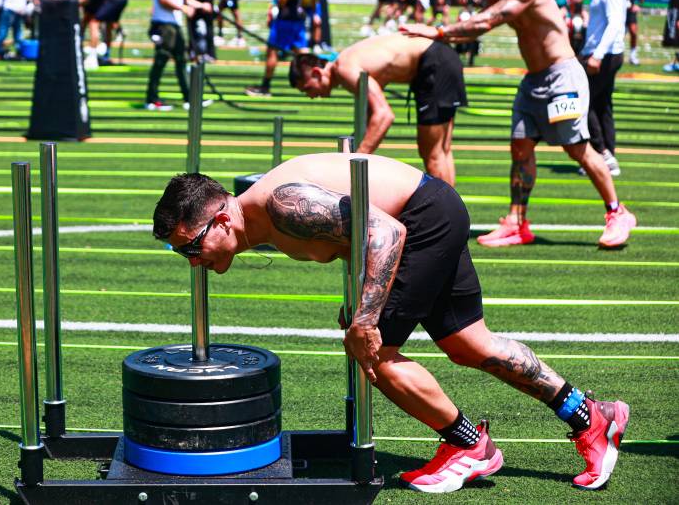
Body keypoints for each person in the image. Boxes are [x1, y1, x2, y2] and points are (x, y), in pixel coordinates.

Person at [152, 154, 630, 493]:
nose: (191, 262)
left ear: (220, 219)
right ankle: (590, 416)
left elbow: (385, 231)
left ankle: (470, 448)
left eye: (189, 247)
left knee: (371, 349)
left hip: (420, 220)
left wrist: (364, 318)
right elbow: (351, 230)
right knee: (468, 343)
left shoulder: (281, 205)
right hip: (432, 208)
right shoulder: (251, 219)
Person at [399, 0, 636, 249]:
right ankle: (517, 223)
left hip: (562, 77)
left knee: (576, 148)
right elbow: (479, 23)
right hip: (533, 81)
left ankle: (617, 212)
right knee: (520, 148)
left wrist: (439, 32)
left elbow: (486, 21)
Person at [289, 34, 466, 186]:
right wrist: (347, 152)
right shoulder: (346, 64)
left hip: (434, 62)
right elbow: (369, 121)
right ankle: (454, 220)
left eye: (307, 89)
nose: (310, 96)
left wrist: (354, 163)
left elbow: (384, 115)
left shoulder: (344, 69)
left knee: (432, 153)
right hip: (439, 58)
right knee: (442, 150)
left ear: (317, 73)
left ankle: (447, 219)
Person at [144, 0, 212, 112]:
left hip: (174, 23)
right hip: (163, 23)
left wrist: (201, 5)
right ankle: (151, 99)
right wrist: (184, 8)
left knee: (181, 60)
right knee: (161, 60)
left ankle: (189, 98)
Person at [580, 0, 627, 178]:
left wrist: (597, 54)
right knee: (602, 106)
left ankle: (602, 154)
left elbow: (615, 24)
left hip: (605, 55)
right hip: (604, 53)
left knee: (582, 103)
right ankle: (609, 156)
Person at [244, 0, 309, 98]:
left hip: (286, 19)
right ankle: (319, 78)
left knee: (272, 51)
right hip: (293, 18)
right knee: (301, 52)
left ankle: (265, 87)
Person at [81, 0, 128, 67]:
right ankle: (106, 56)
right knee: (109, 25)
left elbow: (86, 16)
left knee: (94, 23)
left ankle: (92, 57)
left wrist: (80, 34)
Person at [622, 0, 646, 65]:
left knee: (633, 32)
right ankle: (616, 56)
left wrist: (638, 5)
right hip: (620, 12)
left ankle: (633, 57)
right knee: (619, 35)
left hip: (630, 11)